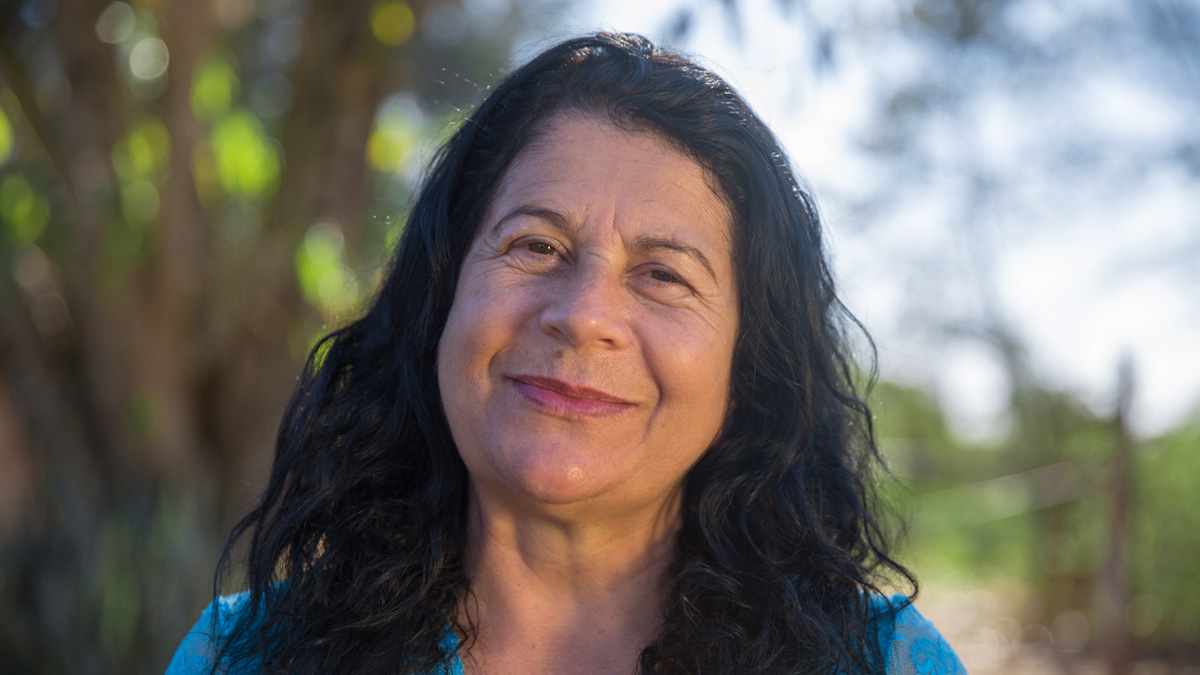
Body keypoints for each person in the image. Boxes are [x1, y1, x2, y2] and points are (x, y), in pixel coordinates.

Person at [167, 32, 966, 675]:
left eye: (662, 275)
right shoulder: (242, 657)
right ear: (439, 300)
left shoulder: (884, 662)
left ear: (746, 364)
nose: (584, 317)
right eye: (537, 246)